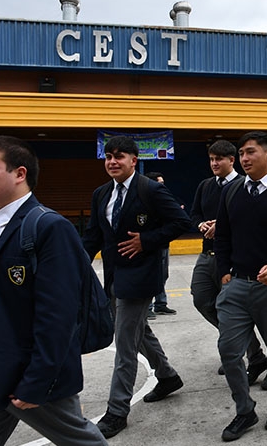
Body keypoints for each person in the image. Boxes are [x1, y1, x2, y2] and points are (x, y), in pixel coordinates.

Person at [0, 136, 107, 445]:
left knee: (82, 442)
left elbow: (58, 314)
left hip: (25, 374)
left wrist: (39, 379)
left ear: (19, 174)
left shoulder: (48, 227)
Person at [82, 136, 191, 439]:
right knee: (138, 330)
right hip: (115, 276)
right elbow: (93, 236)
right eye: (108, 157)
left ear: (134, 159)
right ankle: (167, 376)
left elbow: (181, 222)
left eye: (119, 156)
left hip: (142, 276)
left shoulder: (150, 190)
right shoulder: (101, 194)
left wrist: (147, 240)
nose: (112, 162)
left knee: (125, 343)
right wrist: (75, 265)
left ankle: (117, 411)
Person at [213, 131, 267, 441]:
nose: (244, 158)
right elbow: (222, 235)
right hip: (237, 285)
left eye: (251, 152)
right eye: (241, 154)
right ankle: (244, 410)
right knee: (228, 350)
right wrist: (224, 271)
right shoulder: (231, 192)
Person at [189, 141, 267, 381]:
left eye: (219, 159)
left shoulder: (243, 185)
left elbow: (252, 220)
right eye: (211, 159)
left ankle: (249, 356)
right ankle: (251, 351)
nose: (214, 163)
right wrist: (201, 224)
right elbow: (194, 214)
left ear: (231, 160)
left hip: (235, 257)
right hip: (207, 255)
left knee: (247, 311)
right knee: (203, 300)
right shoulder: (205, 186)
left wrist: (222, 226)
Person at [144, 171, 178, 317]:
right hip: (152, 245)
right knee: (151, 275)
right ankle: (147, 308)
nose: (162, 186)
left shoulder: (164, 200)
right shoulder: (146, 200)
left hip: (164, 244)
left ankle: (160, 304)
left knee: (163, 275)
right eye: (160, 183)